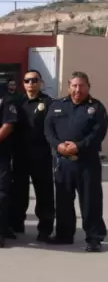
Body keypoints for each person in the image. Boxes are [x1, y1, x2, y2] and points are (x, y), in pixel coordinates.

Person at [44, 71, 107, 252]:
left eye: (82, 86)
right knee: (63, 200)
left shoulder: (96, 107)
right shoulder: (58, 106)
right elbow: (48, 130)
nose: (78, 89)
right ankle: (64, 235)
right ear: (69, 86)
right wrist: (58, 146)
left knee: (90, 201)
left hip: (87, 162)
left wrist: (78, 146)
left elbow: (98, 133)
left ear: (88, 87)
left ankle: (94, 238)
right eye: (74, 85)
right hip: (63, 162)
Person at [11, 69, 54, 239]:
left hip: (41, 156)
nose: (31, 84)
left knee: (44, 194)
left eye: (35, 80)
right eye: (27, 80)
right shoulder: (17, 102)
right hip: (20, 155)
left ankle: (45, 229)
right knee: (19, 193)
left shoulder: (48, 103)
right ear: (23, 83)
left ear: (40, 82)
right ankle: (16, 225)